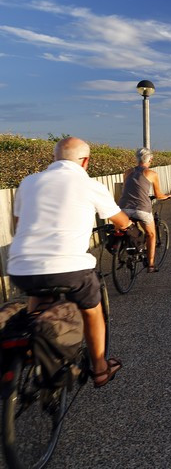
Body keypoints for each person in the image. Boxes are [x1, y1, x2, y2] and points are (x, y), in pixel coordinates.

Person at [8, 137, 132, 388]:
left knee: (39, 300)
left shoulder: (29, 182)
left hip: (20, 267)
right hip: (70, 269)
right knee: (91, 310)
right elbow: (120, 220)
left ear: (54, 158)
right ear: (85, 161)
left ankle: (35, 351)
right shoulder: (89, 185)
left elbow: (17, 227)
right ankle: (99, 368)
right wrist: (129, 226)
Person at [118, 147, 171, 272]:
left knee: (128, 229)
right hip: (141, 208)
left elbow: (130, 189)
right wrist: (167, 196)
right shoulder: (152, 174)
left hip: (123, 208)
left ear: (137, 159)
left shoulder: (127, 172)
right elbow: (158, 195)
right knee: (151, 234)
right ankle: (151, 265)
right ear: (150, 159)